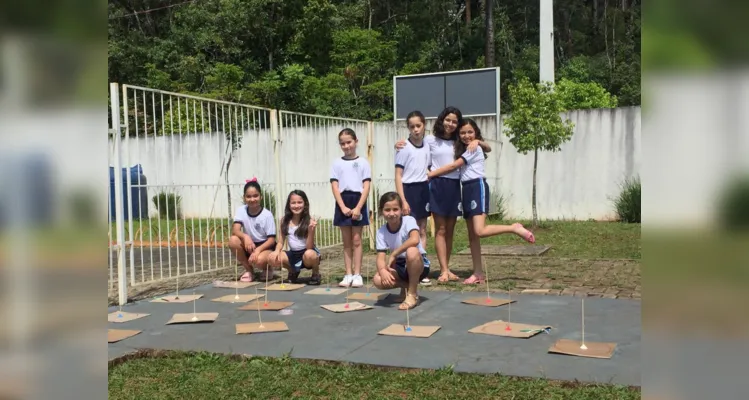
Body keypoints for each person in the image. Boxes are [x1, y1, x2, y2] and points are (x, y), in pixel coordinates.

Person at [428, 118, 535, 284]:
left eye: (470, 132)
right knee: (472, 236)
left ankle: (513, 228)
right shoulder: (465, 148)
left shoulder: (474, 148)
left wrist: (430, 174)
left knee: (479, 230)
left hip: (477, 187)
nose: (466, 136)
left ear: (476, 133)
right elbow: (487, 148)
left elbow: (453, 166)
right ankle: (478, 273)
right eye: (462, 133)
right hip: (467, 189)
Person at [395, 106, 491, 283]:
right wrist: (399, 144)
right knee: (440, 229)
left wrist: (478, 141)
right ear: (442, 120)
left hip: (455, 186)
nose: (451, 124)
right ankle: (443, 270)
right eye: (448, 120)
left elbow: (487, 148)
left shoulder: (459, 140)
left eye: (454, 121)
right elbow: (414, 143)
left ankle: (448, 268)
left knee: (450, 230)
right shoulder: (431, 139)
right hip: (437, 185)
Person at [372, 192, 430, 310]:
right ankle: (406, 288)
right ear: (381, 211)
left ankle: (412, 294)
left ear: (401, 210)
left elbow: (415, 239)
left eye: (395, 209)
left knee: (411, 251)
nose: (392, 213)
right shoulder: (381, 232)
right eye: (387, 210)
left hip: (418, 264)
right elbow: (380, 257)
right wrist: (382, 271)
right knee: (377, 279)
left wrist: (394, 253)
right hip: (400, 266)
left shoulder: (409, 220)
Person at [394, 110, 432, 285]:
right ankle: (406, 266)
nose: (416, 129)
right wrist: (403, 200)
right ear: (408, 128)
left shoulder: (428, 145)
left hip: (423, 189)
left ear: (424, 125)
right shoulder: (403, 148)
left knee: (422, 229)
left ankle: (422, 266)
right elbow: (398, 176)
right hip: (408, 190)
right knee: (409, 231)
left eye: (418, 125)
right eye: (412, 126)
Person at [330, 128, 371, 288]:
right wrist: (343, 206)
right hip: (343, 200)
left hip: (358, 200)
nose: (346, 146)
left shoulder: (363, 162)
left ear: (356, 141)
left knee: (357, 240)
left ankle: (357, 274)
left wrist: (358, 207)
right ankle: (348, 274)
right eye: (343, 143)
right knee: (346, 241)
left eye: (349, 142)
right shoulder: (336, 163)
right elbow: (334, 186)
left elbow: (366, 186)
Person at [227, 178, 277, 282]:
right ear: (244, 198)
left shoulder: (267, 215)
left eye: (255, 196)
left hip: (264, 246)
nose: (252, 199)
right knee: (233, 240)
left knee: (258, 260)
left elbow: (271, 240)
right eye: (248, 196)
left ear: (261, 197)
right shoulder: (241, 210)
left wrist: (258, 250)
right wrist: (245, 236)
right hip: (249, 245)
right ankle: (249, 270)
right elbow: (235, 230)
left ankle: (267, 268)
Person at [269, 190, 321, 285]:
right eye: (293, 203)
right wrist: (276, 251)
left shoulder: (309, 221)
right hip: (293, 254)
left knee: (309, 254)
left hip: (306, 252)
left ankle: (316, 272)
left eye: (299, 202)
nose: (296, 206)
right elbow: (280, 242)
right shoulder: (284, 220)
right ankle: (293, 270)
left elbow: (309, 247)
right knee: (272, 258)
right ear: (289, 204)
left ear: (305, 204)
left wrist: (311, 231)